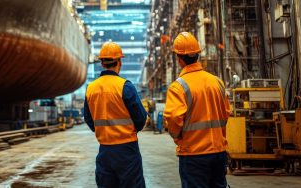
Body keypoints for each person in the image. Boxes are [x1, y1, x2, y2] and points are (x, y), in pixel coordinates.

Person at [163, 32, 231, 188]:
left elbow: (173, 119)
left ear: (179, 59)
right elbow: (226, 113)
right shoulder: (217, 82)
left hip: (193, 155)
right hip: (218, 152)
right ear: (198, 55)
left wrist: (179, 138)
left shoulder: (178, 87)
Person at [84, 41, 148, 188]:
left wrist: (104, 131)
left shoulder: (91, 89)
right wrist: (128, 131)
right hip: (127, 149)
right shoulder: (125, 86)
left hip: (105, 150)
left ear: (101, 63)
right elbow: (141, 118)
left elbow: (88, 118)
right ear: (119, 62)